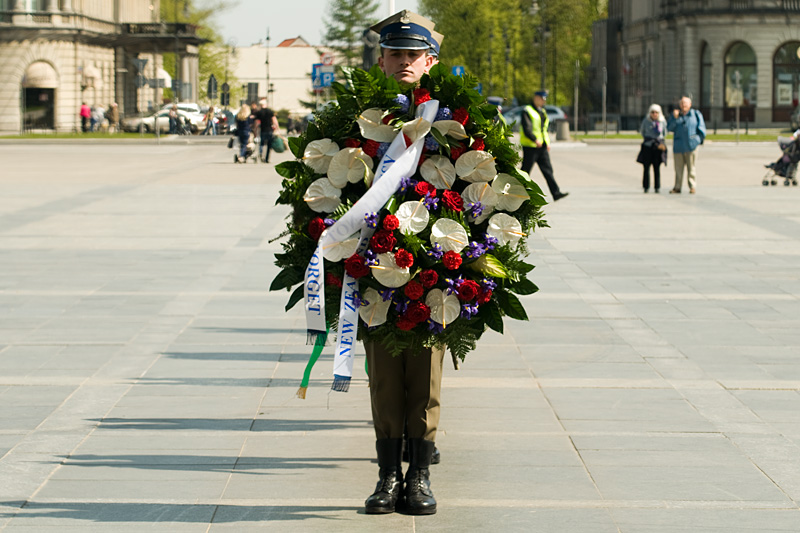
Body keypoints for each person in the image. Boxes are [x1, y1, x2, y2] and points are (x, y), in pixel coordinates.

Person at [361, 10, 443, 517]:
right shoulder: (358, 115)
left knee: (426, 370)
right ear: (382, 58)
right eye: (396, 53)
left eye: (414, 55)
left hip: (434, 268)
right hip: (374, 266)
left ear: (430, 61)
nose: (404, 61)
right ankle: (388, 474)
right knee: (385, 372)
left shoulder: (453, 118)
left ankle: (422, 472)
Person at [520, 91, 569, 201]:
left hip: (541, 146)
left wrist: (546, 143)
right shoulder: (527, 110)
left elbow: (543, 129)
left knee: (548, 170)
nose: (544, 101)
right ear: (536, 98)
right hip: (531, 146)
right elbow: (526, 128)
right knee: (525, 171)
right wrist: (534, 139)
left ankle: (556, 193)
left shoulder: (542, 111)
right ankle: (516, 192)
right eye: (542, 98)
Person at [667, 96, 706, 194]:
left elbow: (702, 129)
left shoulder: (695, 114)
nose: (683, 105)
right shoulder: (676, 115)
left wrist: (696, 141)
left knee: (691, 168)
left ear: (690, 104)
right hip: (679, 146)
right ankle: (677, 187)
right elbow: (669, 128)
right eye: (682, 103)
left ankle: (692, 186)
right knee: (678, 169)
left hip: (691, 146)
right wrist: (675, 118)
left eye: (685, 103)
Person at [637, 104, 668, 193]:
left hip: (658, 146)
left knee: (657, 168)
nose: (654, 114)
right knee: (646, 167)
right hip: (648, 146)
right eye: (653, 112)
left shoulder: (662, 122)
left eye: (656, 112)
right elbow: (642, 131)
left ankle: (657, 186)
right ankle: (646, 186)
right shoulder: (646, 121)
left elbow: (665, 133)